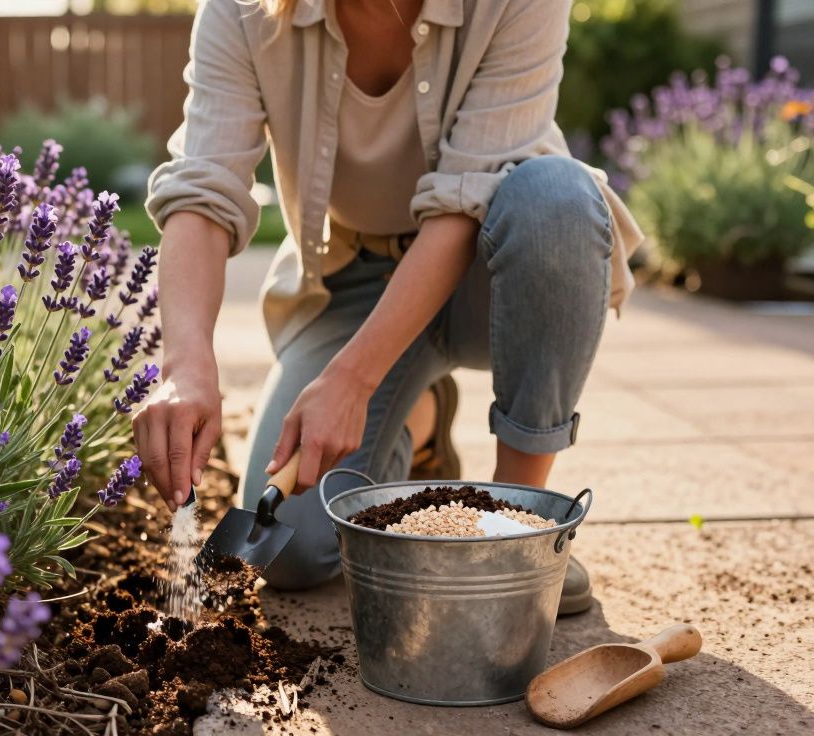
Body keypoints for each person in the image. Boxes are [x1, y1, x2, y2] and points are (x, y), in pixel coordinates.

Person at [133, 0, 643, 615]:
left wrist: (353, 380)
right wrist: (186, 362)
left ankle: (521, 526)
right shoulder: (244, 12)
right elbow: (203, 187)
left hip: (492, 267)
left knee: (557, 197)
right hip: (354, 279)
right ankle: (419, 417)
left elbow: (462, 200)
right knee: (293, 551)